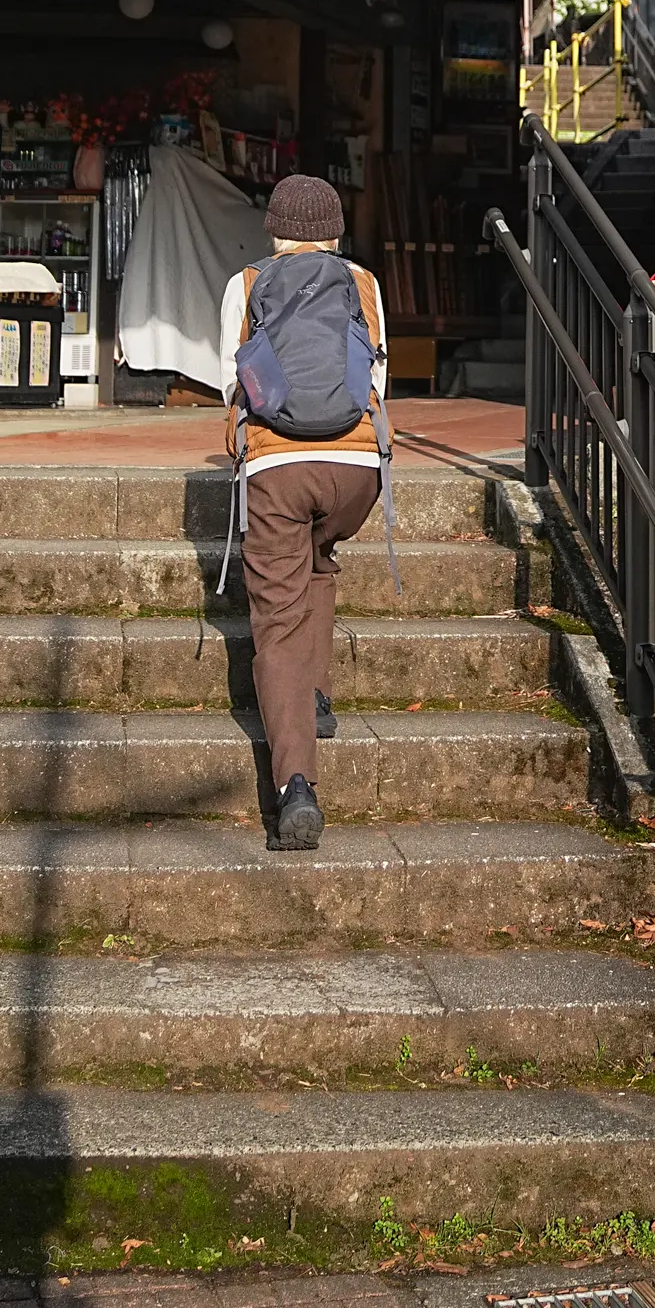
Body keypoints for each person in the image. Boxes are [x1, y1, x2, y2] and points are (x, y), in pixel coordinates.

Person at [218, 172, 388, 852]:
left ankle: (295, 787)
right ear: (336, 231)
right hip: (355, 475)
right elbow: (377, 381)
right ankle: (314, 699)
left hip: (278, 468)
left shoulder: (249, 283)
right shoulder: (364, 282)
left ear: (275, 229)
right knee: (320, 554)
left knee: (279, 620)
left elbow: (232, 379)